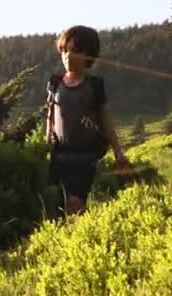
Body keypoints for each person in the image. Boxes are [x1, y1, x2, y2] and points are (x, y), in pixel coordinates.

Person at [46, 25, 132, 216]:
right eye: (64, 51)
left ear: (89, 55)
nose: (68, 56)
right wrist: (46, 143)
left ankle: (86, 238)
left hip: (85, 158)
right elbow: (50, 114)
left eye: (75, 51)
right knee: (57, 207)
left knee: (76, 204)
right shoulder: (55, 83)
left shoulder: (94, 86)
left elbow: (106, 121)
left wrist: (118, 152)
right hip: (59, 156)